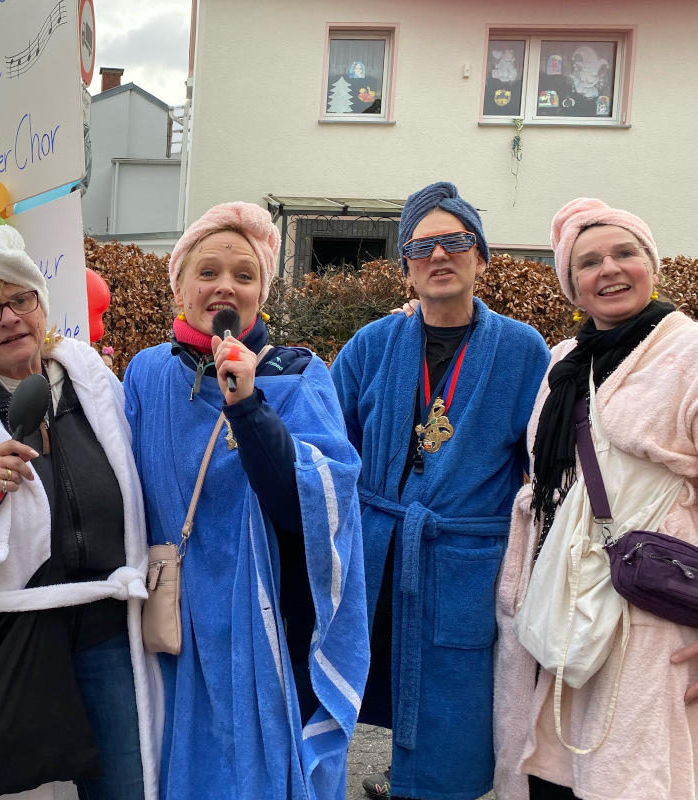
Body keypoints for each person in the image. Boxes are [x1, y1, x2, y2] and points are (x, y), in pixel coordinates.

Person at [0, 225, 158, 800]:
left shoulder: (91, 378)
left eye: (21, 299)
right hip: (6, 639)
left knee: (128, 787)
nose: (10, 317)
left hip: (105, 627)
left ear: (43, 305)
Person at [122, 201, 369, 799]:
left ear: (262, 291)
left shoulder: (296, 374)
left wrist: (250, 406)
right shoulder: (148, 373)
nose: (224, 286)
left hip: (262, 620)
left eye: (243, 274)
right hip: (172, 614)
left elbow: (313, 503)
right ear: (179, 286)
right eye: (207, 272)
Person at [330, 181, 550, 800]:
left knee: (455, 705)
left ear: (480, 257)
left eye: (456, 242)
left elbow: (543, 464)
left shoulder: (520, 349)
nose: (439, 256)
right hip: (382, 548)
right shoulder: (372, 346)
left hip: (465, 559)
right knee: (370, 689)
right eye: (422, 247)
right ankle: (396, 780)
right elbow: (330, 446)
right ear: (406, 268)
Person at [493, 199, 698, 800]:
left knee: (625, 777)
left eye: (625, 253)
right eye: (588, 262)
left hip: (648, 611)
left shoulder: (687, 354)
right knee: (549, 770)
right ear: (571, 285)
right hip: (557, 596)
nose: (608, 269)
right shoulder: (562, 363)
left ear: (651, 265)